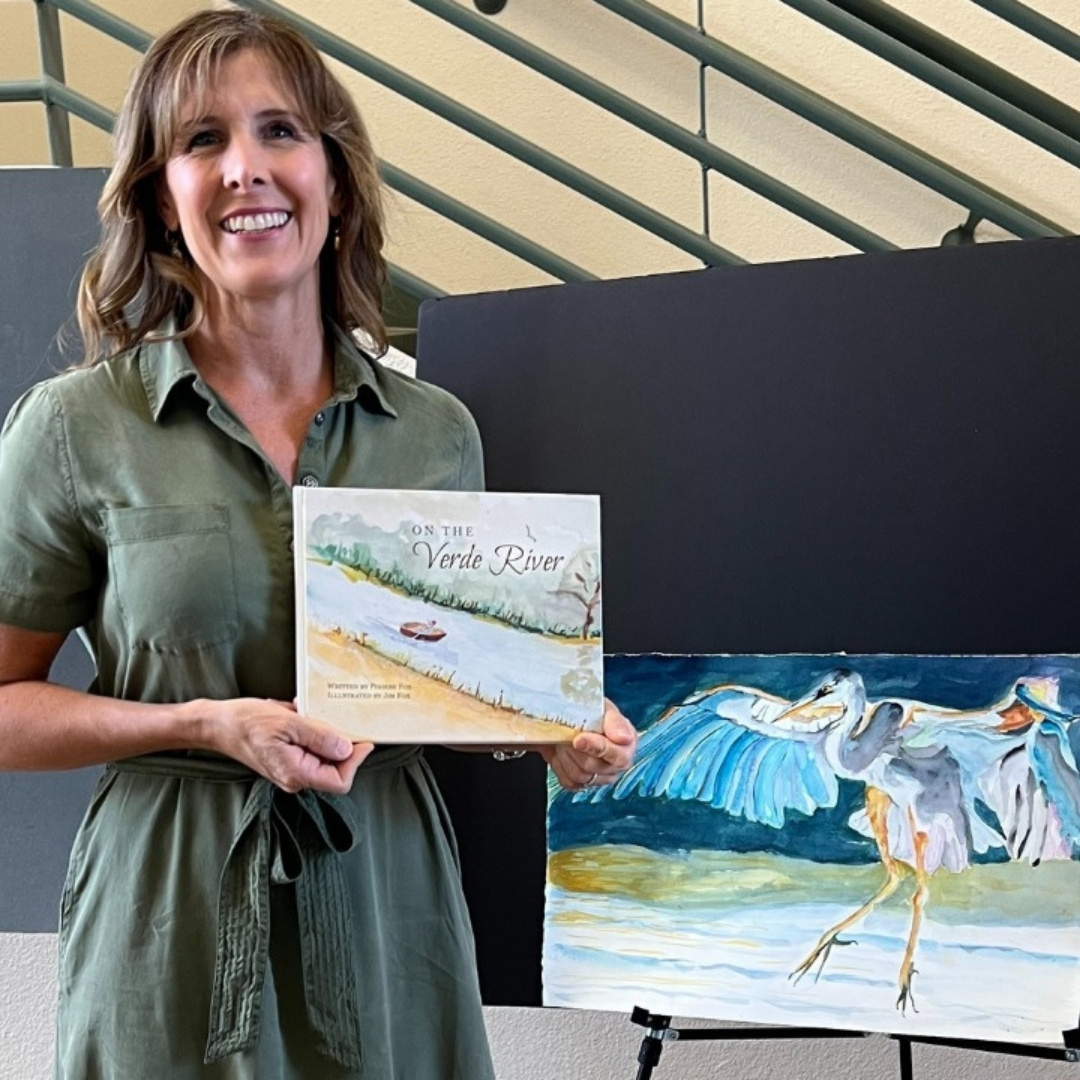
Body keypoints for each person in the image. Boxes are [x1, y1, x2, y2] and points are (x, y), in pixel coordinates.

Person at [0, 9, 636, 1078]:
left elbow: (443, 687)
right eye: (202, 140)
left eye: (280, 131)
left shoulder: (435, 434)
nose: (244, 168)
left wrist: (545, 726)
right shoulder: (73, 429)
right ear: (160, 198)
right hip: (171, 905)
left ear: (335, 181)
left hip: (390, 908)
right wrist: (203, 724)